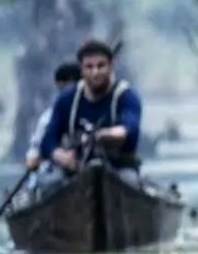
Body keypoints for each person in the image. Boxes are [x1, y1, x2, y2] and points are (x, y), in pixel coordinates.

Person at [37, 39, 143, 190]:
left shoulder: (127, 96)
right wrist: (61, 156)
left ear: (111, 66)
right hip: (75, 169)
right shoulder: (67, 99)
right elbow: (48, 140)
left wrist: (106, 136)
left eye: (101, 66)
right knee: (48, 184)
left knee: (130, 183)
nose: (95, 72)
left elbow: (130, 128)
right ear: (82, 69)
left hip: (119, 167)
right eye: (89, 67)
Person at [25, 62, 82, 197]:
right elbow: (34, 152)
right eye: (64, 88)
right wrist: (34, 159)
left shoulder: (91, 111)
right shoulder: (48, 118)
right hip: (55, 171)